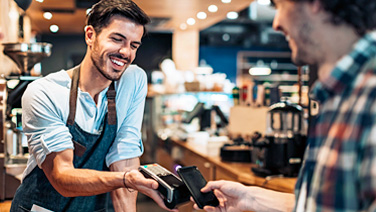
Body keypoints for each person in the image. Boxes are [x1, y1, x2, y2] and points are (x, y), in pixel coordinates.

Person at [194, 0, 376, 211]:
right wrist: (249, 199)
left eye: (279, 5)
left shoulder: (368, 93)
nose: (276, 24)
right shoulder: (340, 95)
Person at [10, 0, 176, 211]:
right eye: (117, 39)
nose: (126, 53)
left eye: (134, 45)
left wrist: (127, 183)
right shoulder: (45, 92)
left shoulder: (132, 80)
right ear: (90, 35)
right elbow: (62, 178)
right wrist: (125, 179)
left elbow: (124, 156)